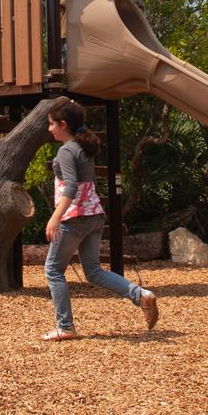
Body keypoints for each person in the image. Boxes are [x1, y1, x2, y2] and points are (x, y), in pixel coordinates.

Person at [40, 97, 159, 341]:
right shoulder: (84, 147)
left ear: (63, 124)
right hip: (95, 216)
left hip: (74, 218)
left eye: (52, 124)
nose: (49, 129)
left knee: (53, 270)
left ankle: (65, 327)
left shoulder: (66, 151)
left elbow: (70, 187)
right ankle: (141, 295)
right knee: (93, 271)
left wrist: (54, 218)